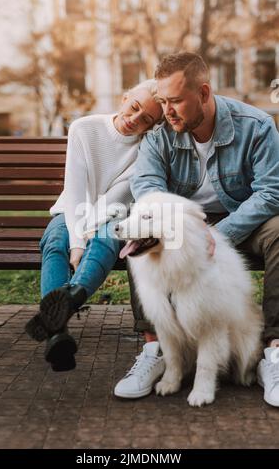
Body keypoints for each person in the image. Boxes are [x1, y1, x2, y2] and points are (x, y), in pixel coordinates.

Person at [114, 52, 279, 407]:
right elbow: (147, 188)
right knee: (141, 236)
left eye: (175, 101)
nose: (167, 111)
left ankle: (274, 351)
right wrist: (180, 225)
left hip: (243, 221)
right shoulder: (160, 137)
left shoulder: (256, 125)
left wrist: (219, 234)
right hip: (182, 227)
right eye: (162, 101)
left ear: (203, 93)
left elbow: (272, 191)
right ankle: (154, 346)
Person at [25, 79, 163, 372]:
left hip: (113, 213)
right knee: (55, 243)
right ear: (124, 98)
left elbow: (116, 198)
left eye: (146, 119)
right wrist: (77, 242)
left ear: (152, 126)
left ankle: (54, 319)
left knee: (104, 240)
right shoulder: (84, 128)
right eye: (134, 107)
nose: (134, 119)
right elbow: (75, 190)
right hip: (70, 210)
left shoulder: (147, 147)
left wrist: (88, 235)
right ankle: (57, 334)